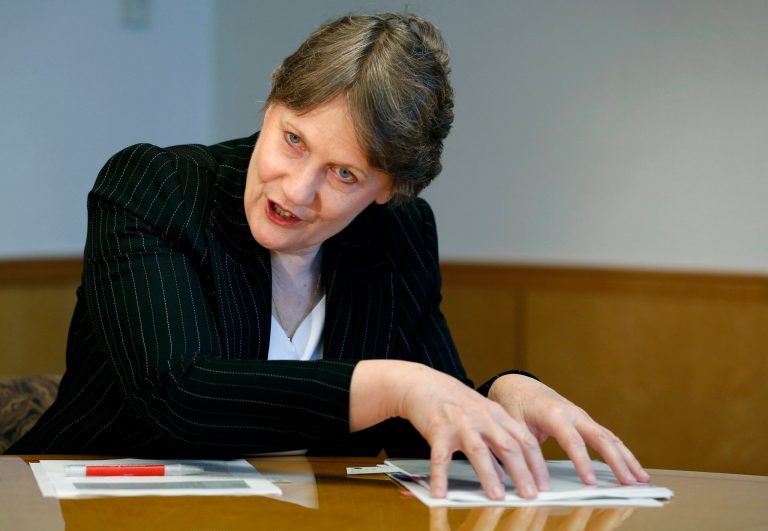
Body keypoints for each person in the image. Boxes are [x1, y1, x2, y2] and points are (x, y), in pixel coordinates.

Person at [7, 12, 648, 500]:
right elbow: (179, 395)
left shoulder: (399, 233)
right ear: (271, 102)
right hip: (103, 505)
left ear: (388, 189)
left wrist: (503, 394)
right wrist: (395, 384)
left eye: (344, 174)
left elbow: (421, 429)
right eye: (292, 139)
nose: (295, 190)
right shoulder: (156, 188)